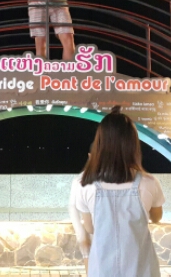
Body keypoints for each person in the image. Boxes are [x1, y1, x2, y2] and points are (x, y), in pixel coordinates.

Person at [69, 106, 164, 277]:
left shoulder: (84, 183)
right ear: (132, 144)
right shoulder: (149, 183)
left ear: (100, 143)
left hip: (102, 270)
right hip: (141, 270)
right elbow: (156, 217)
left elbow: (90, 227)